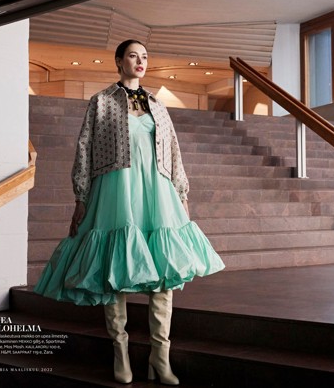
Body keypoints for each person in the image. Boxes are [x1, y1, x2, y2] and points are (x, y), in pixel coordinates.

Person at [34, 39, 225, 385]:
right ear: (119, 61)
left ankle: (159, 357)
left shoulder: (158, 105)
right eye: (133, 56)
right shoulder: (101, 101)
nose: (140, 61)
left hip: (157, 191)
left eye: (145, 57)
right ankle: (120, 351)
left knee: (165, 272)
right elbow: (84, 150)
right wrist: (80, 197)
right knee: (114, 269)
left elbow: (174, 150)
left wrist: (182, 192)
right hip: (116, 190)